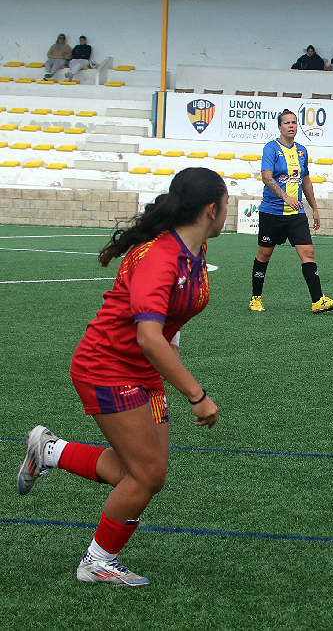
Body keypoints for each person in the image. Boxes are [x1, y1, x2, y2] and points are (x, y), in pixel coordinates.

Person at [15, 167, 226, 584]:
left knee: (148, 474)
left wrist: (168, 373)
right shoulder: (161, 256)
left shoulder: (193, 253)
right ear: (211, 208)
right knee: (145, 476)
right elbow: (148, 336)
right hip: (105, 366)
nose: (227, 211)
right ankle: (96, 562)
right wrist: (195, 393)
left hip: (141, 370)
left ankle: (50, 451)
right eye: (226, 203)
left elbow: (168, 325)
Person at [249, 110, 333, 314]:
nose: (291, 126)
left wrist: (314, 208)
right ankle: (255, 298)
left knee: (308, 253)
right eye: (286, 123)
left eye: (294, 122)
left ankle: (318, 301)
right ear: (280, 127)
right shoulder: (271, 148)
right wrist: (286, 197)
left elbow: (305, 181)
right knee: (264, 255)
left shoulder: (301, 151)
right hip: (272, 212)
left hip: (296, 215)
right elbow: (266, 177)